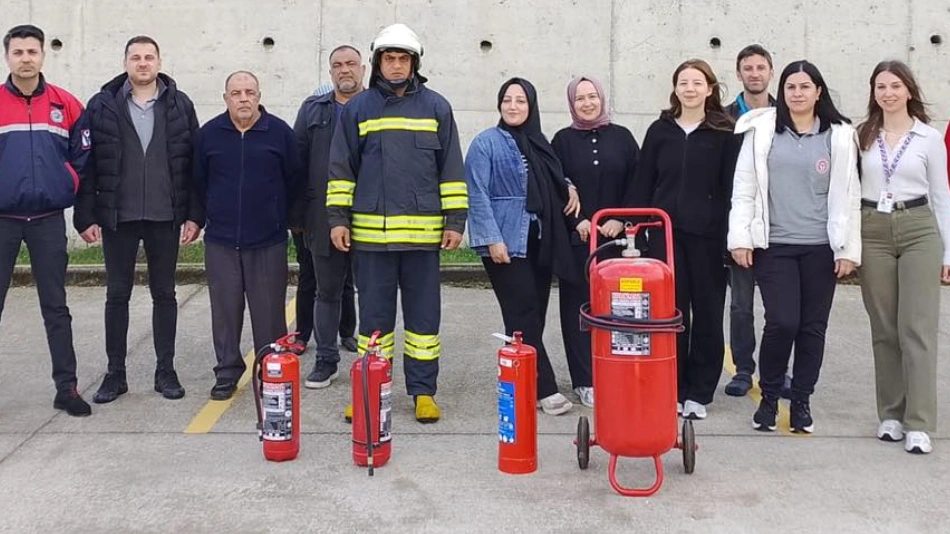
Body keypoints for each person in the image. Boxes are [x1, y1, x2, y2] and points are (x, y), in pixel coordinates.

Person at [327, 24, 467, 423]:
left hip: (424, 241)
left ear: (414, 63)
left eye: (402, 58)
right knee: (374, 321)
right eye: (388, 58)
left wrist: (455, 221)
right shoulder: (359, 108)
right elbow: (341, 169)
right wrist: (337, 218)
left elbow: (451, 170)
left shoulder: (437, 107)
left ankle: (423, 391)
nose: (395, 65)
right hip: (371, 241)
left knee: (424, 322)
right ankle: (371, 387)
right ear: (377, 63)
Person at [729, 60, 860, 434]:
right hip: (776, 246)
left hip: (821, 248)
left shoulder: (839, 135)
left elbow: (850, 196)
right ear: (782, 92)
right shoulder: (762, 130)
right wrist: (740, 238)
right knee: (783, 321)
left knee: (812, 328)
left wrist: (848, 249)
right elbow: (744, 189)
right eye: (791, 87)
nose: (798, 94)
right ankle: (769, 398)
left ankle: (801, 401)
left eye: (805, 87)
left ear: (819, 91)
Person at [75, 35, 201, 404]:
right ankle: (115, 374)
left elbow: (193, 165)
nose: (142, 63)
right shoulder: (101, 106)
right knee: (117, 296)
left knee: (165, 294)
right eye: (135, 57)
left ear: (159, 61)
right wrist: (85, 216)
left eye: (149, 57)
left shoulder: (180, 105)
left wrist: (194, 215)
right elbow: (88, 166)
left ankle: (166, 371)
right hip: (119, 217)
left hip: (165, 216)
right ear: (126, 62)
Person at [630, 59, 739, 421]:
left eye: (697, 82)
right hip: (664, 237)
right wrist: (638, 227)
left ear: (710, 89)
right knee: (670, 315)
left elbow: (730, 189)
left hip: (708, 238)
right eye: (683, 82)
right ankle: (672, 387)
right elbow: (644, 182)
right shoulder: (659, 131)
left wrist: (729, 236)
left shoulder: (725, 131)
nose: (690, 88)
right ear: (675, 88)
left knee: (707, 313)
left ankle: (699, 391)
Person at [466, 77, 583, 416]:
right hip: (506, 241)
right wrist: (491, 239)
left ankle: (521, 380)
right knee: (523, 312)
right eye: (507, 100)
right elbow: (477, 193)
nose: (513, 106)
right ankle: (545, 388)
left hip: (541, 239)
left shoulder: (538, 139)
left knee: (533, 315)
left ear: (531, 106)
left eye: (520, 100)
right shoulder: (486, 142)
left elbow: (551, 173)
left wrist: (569, 186)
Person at [855, 60, 950, 454]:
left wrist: (949, 250)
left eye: (896, 86)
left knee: (917, 328)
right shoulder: (861, 135)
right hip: (873, 229)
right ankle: (891, 415)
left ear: (909, 90)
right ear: (874, 92)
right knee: (884, 328)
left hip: (919, 228)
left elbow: (942, 195)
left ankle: (920, 421)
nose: (888, 93)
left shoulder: (927, 137)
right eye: (881, 86)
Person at [0, 24, 92, 416]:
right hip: (2, 220)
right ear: (7, 56)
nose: (25, 58)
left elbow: (85, 158)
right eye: (18, 52)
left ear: (42, 55)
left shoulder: (66, 104)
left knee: (56, 307)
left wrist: (68, 182)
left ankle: (66, 388)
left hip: (48, 220)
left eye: (31, 51)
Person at [193, 71, 300, 401]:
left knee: (269, 312)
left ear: (259, 95)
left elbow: (296, 180)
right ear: (225, 98)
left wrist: (289, 221)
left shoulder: (280, 133)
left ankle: (272, 369)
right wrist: (196, 219)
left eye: (249, 92)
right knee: (225, 311)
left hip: (268, 241)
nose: (243, 98)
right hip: (221, 240)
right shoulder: (209, 135)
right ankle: (227, 371)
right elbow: (196, 182)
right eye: (236, 92)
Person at [551, 76, 639, 408]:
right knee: (579, 310)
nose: (587, 103)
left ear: (602, 98)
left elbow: (637, 179)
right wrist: (578, 220)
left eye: (592, 97)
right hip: (580, 240)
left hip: (619, 241)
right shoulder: (561, 140)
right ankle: (584, 379)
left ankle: (620, 371)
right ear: (571, 104)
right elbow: (557, 183)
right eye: (580, 99)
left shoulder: (623, 137)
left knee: (621, 309)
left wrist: (622, 218)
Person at [291, 44, 364, 389]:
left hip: (371, 216)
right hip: (322, 218)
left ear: (363, 68)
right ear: (330, 71)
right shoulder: (313, 109)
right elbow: (297, 163)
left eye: (350, 64)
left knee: (374, 292)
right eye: (337, 65)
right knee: (327, 291)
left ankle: (369, 356)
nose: (344, 70)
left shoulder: (377, 106)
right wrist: (298, 216)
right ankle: (326, 360)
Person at [723, 44, 781, 398]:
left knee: (780, 308)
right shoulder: (725, 118)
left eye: (761, 67)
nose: (755, 73)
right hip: (740, 225)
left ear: (771, 72)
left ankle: (776, 372)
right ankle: (743, 369)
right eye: (748, 68)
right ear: (739, 73)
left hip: (780, 225)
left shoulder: (788, 114)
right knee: (741, 305)